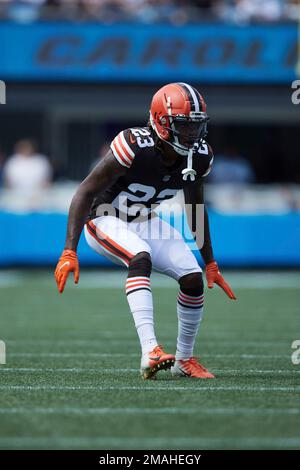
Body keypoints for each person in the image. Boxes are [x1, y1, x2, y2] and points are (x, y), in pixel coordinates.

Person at [54, 83, 236, 380]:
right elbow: (84, 192)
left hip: (145, 219)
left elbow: (195, 209)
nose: (193, 135)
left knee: (192, 277)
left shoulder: (199, 155)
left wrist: (210, 262)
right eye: (184, 126)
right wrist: (69, 249)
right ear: (162, 122)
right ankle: (150, 350)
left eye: (196, 127)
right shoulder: (134, 145)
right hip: (103, 217)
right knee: (141, 256)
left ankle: (184, 360)